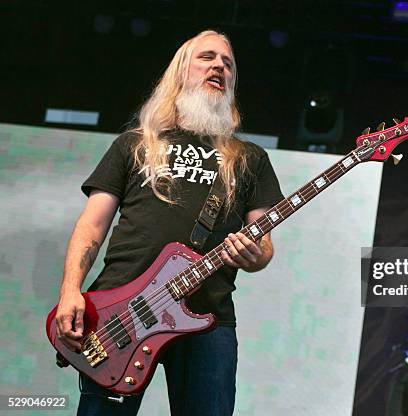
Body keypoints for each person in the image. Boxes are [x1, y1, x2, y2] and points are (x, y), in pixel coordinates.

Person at [54, 30, 284, 415]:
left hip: (207, 317)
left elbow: (264, 247)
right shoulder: (135, 144)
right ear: (181, 71)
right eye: (207, 58)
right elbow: (91, 227)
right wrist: (70, 291)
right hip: (118, 314)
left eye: (227, 63)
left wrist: (254, 255)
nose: (219, 67)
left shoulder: (249, 159)